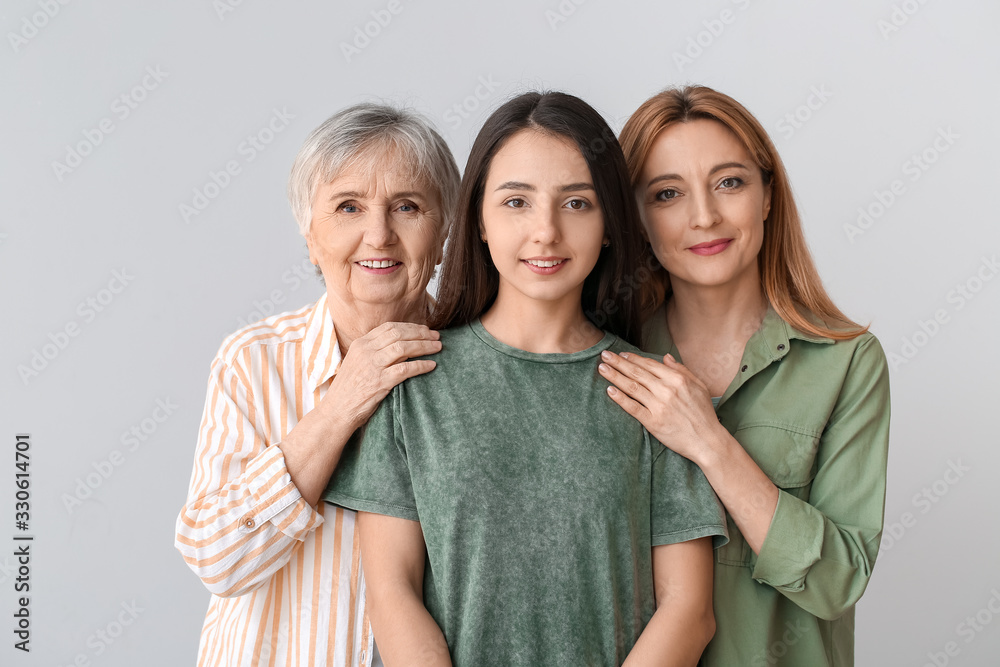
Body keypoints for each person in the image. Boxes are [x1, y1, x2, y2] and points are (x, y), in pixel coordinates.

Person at [323, 91, 727, 666]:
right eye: (516, 202)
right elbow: (392, 592)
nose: (546, 232)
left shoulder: (655, 395)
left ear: (611, 223)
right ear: (479, 222)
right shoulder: (412, 384)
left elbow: (689, 609)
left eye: (577, 204)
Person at [600, 85, 891, 666]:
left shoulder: (847, 361)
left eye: (729, 182)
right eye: (667, 194)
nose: (704, 216)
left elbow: (837, 581)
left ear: (766, 196)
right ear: (633, 218)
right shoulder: (608, 358)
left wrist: (709, 443)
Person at [174, 103, 460, 666]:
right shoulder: (252, 364)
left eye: (407, 206)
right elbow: (218, 561)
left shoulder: (481, 364)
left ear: (444, 228)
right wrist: (342, 404)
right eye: (348, 207)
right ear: (311, 236)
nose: (378, 234)